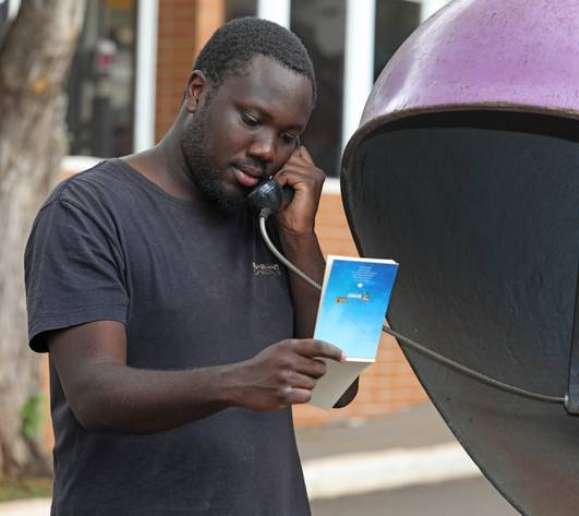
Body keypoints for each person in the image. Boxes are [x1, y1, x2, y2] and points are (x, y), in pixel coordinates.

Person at [24, 17, 357, 516]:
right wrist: (237, 382)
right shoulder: (89, 211)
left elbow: (341, 386)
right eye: (251, 119)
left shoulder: (270, 222)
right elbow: (94, 392)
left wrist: (299, 235)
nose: (268, 150)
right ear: (198, 92)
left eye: (289, 136)